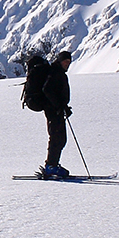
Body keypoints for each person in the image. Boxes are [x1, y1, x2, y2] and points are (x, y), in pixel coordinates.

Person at [40, 50, 73, 178]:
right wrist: (59, 106)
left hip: (57, 110)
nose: (67, 64)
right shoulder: (55, 73)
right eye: (65, 61)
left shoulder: (59, 73)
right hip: (53, 111)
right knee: (56, 137)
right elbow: (47, 89)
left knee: (61, 138)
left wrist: (64, 107)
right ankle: (50, 166)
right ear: (60, 61)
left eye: (69, 62)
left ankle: (53, 164)